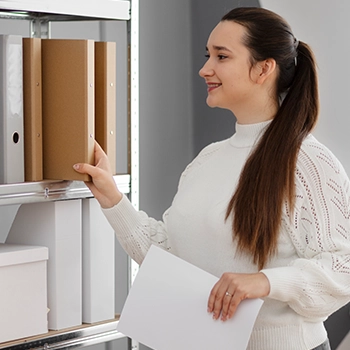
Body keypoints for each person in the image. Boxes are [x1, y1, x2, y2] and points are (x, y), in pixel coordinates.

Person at [73, 7, 350, 350]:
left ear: (264, 68)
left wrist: (264, 282)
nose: (205, 69)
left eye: (222, 56)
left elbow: (343, 268)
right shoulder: (208, 159)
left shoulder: (309, 162)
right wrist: (113, 199)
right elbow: (171, 260)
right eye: (208, 55)